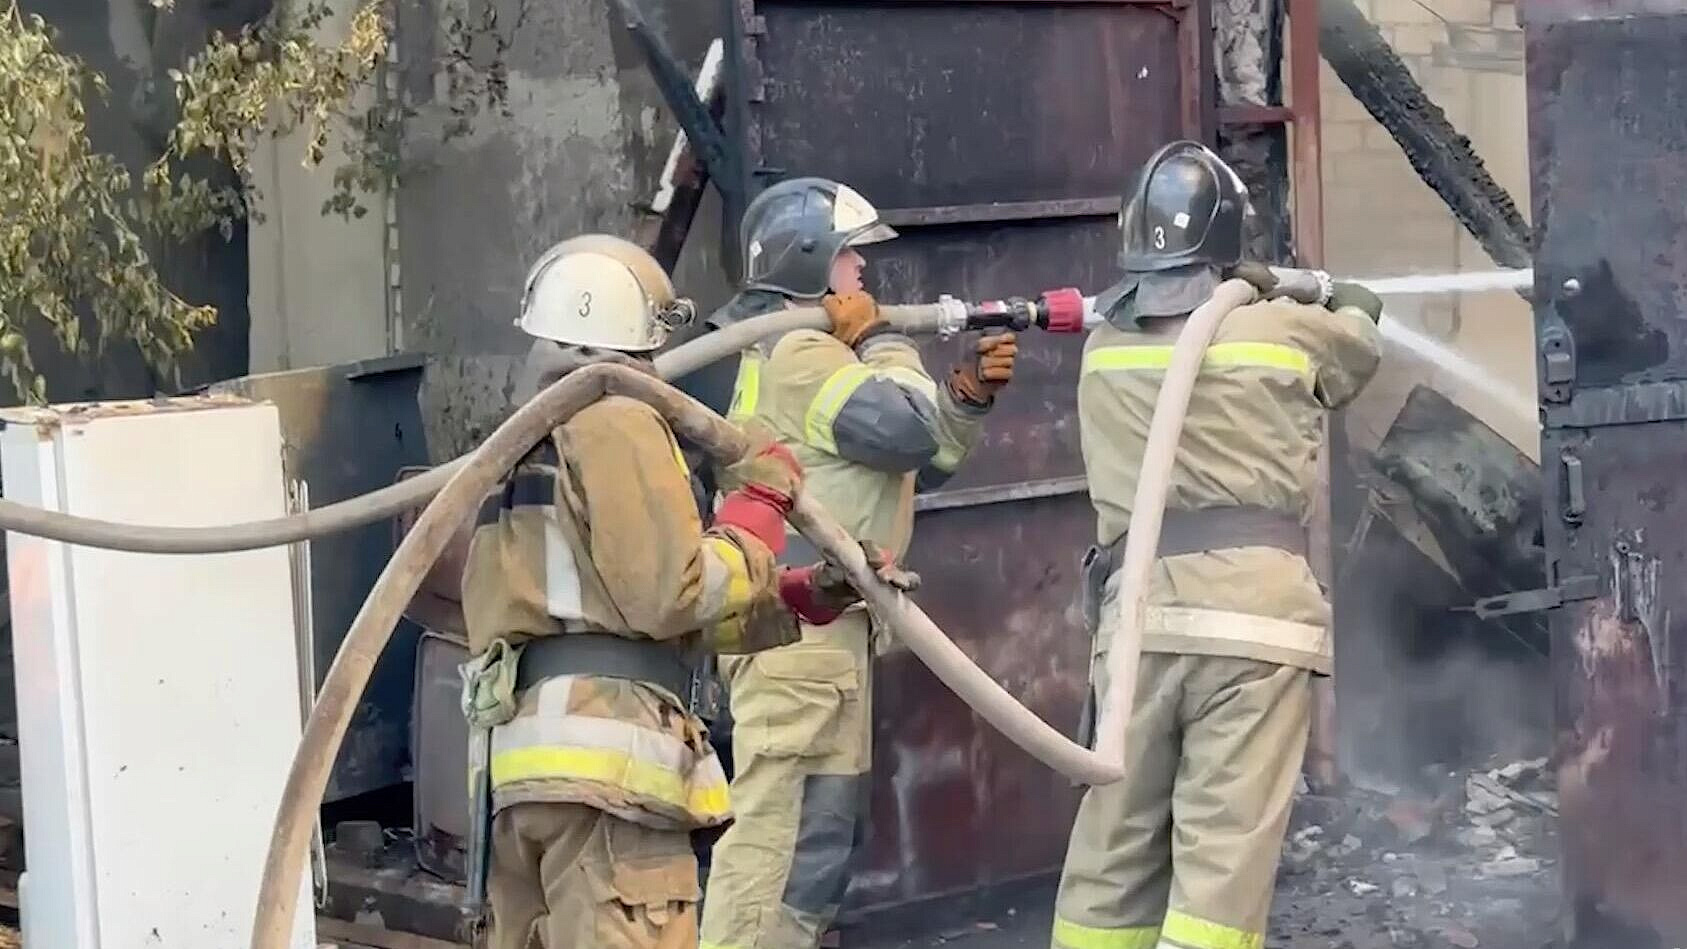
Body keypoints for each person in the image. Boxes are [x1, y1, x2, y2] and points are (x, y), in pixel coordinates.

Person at [460, 233, 915, 949]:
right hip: (607, 778)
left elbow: (616, 619)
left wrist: (797, 598)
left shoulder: (521, 441)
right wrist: (756, 513)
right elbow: (667, 595)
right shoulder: (615, 417)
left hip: (521, 780)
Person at [1051, 141, 1384, 949]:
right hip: (1251, 627)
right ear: (1228, 239)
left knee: (1113, 847)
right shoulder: (1281, 328)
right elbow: (1359, 344)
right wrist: (1334, 295)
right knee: (1220, 858)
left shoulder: (1102, 347)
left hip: (1137, 623)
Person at [699, 177, 1018, 949]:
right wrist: (884, 340)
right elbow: (906, 432)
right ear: (812, 262)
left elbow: (914, 461)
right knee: (777, 838)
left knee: (820, 837)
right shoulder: (800, 350)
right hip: (798, 630)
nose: (862, 271)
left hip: (820, 624)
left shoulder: (795, 352)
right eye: (850, 255)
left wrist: (964, 400)